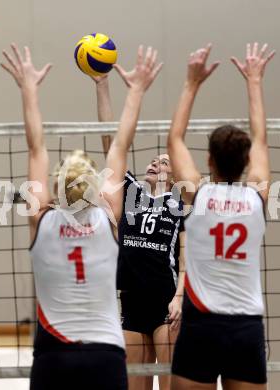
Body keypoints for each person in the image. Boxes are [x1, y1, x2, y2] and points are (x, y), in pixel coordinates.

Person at [1, 43, 162, 390]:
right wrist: (136, 90)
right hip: (104, 354)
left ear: (55, 187)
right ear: (96, 187)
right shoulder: (108, 216)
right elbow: (119, 145)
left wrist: (28, 89)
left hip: (54, 356)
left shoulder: (41, 218)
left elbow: (36, 147)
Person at [168, 43, 275, 390]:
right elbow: (261, 138)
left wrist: (191, 82)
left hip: (202, 325)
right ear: (246, 164)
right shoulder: (256, 197)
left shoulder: (198, 196)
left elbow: (175, 140)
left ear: (210, 161)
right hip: (245, 327)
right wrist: (254, 81)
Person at [91, 65, 185, 390]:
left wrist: (181, 296)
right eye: (154, 159)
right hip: (130, 301)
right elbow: (111, 142)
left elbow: (189, 258)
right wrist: (102, 85)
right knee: (134, 385)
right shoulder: (130, 191)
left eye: (164, 161)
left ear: (174, 176)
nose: (155, 163)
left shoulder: (181, 204)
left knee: (173, 382)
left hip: (165, 302)